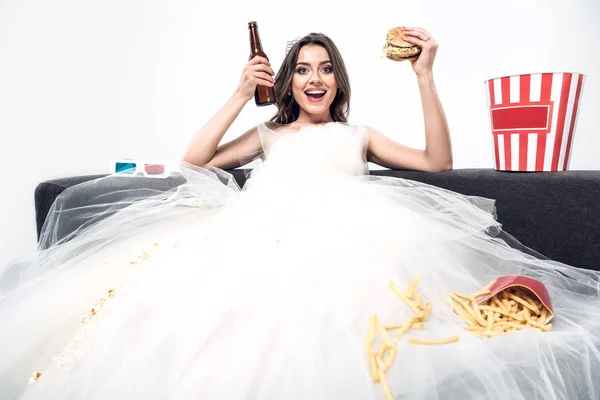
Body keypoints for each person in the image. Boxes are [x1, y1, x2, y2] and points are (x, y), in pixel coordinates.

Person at [0, 27, 599, 400]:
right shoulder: (269, 134)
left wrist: (425, 76)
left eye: (326, 67)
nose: (316, 78)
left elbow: (436, 162)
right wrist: (239, 93)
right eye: (304, 69)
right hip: (254, 234)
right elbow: (195, 158)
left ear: (339, 80)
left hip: (344, 237)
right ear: (288, 83)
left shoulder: (357, 133)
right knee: (181, 311)